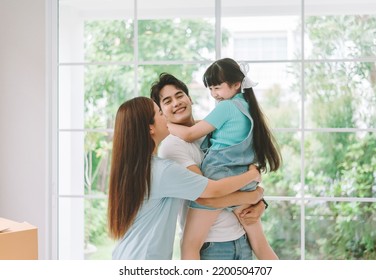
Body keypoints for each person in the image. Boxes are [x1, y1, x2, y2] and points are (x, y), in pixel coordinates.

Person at [107, 96, 261, 260]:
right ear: (150, 128)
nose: (165, 117)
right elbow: (213, 190)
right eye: (160, 113)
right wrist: (253, 177)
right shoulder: (162, 171)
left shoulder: (135, 169)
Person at [167, 58, 282, 260]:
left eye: (217, 87)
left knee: (189, 246)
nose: (214, 94)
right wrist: (255, 195)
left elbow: (189, 134)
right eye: (210, 89)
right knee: (261, 246)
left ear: (236, 84)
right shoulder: (246, 107)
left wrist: (161, 125)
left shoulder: (226, 107)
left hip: (219, 173)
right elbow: (203, 127)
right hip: (241, 176)